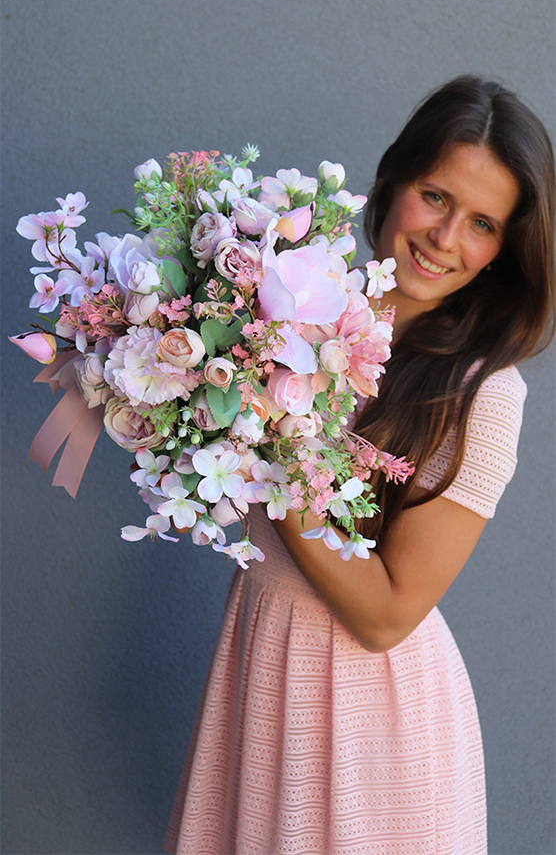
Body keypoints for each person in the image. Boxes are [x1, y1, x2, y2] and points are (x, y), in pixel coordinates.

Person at [163, 76, 555, 854]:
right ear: (392, 181)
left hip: (370, 719)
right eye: (435, 196)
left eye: (482, 223)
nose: (446, 237)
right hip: (262, 674)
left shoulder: (484, 393)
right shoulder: (287, 308)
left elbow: (386, 615)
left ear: (502, 253)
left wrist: (270, 449)